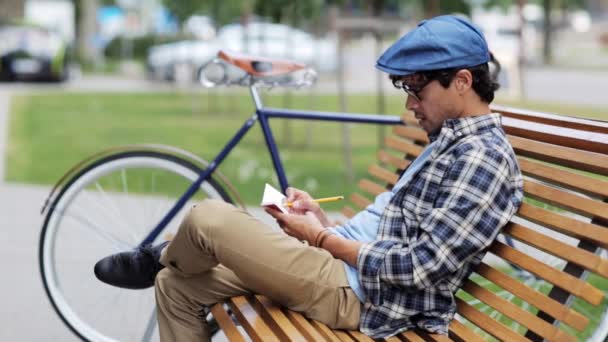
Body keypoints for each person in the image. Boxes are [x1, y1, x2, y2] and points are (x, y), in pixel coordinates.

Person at [94, 15, 524, 340]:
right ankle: (168, 261)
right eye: (405, 90)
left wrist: (320, 240)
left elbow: (421, 267)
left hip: (361, 295)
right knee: (175, 284)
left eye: (418, 90)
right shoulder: (449, 141)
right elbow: (391, 231)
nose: (410, 104)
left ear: (463, 81)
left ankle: (162, 254)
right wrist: (322, 223)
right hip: (338, 268)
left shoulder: (482, 159)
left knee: (208, 219)